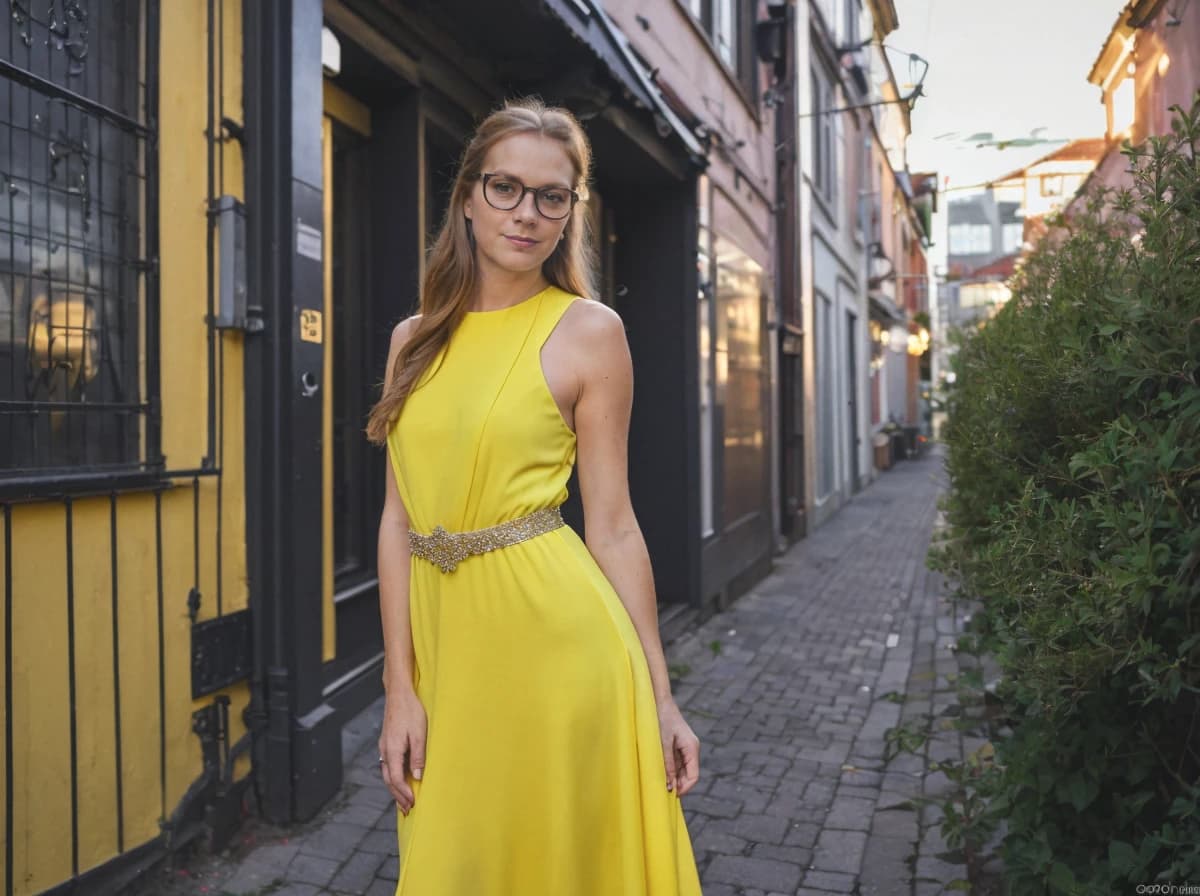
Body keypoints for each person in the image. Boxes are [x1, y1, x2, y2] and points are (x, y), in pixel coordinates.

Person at [364, 97, 703, 894]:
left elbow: (614, 527)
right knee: (454, 863)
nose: (526, 214)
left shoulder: (591, 332)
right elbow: (398, 519)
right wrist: (398, 686)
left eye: (552, 196)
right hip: (449, 655)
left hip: (561, 653)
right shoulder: (410, 340)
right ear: (469, 196)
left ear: (570, 213)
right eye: (506, 188)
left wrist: (661, 697)